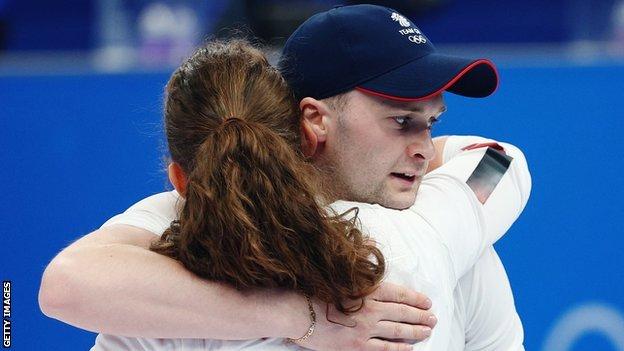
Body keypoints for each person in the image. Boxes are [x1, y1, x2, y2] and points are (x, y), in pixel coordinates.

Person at [39, 4, 529, 351]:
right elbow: (500, 162)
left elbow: (64, 287)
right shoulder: (441, 228)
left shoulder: (175, 239)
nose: (423, 149)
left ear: (180, 177)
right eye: (401, 120)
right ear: (314, 119)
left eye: (432, 124)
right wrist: (308, 316)